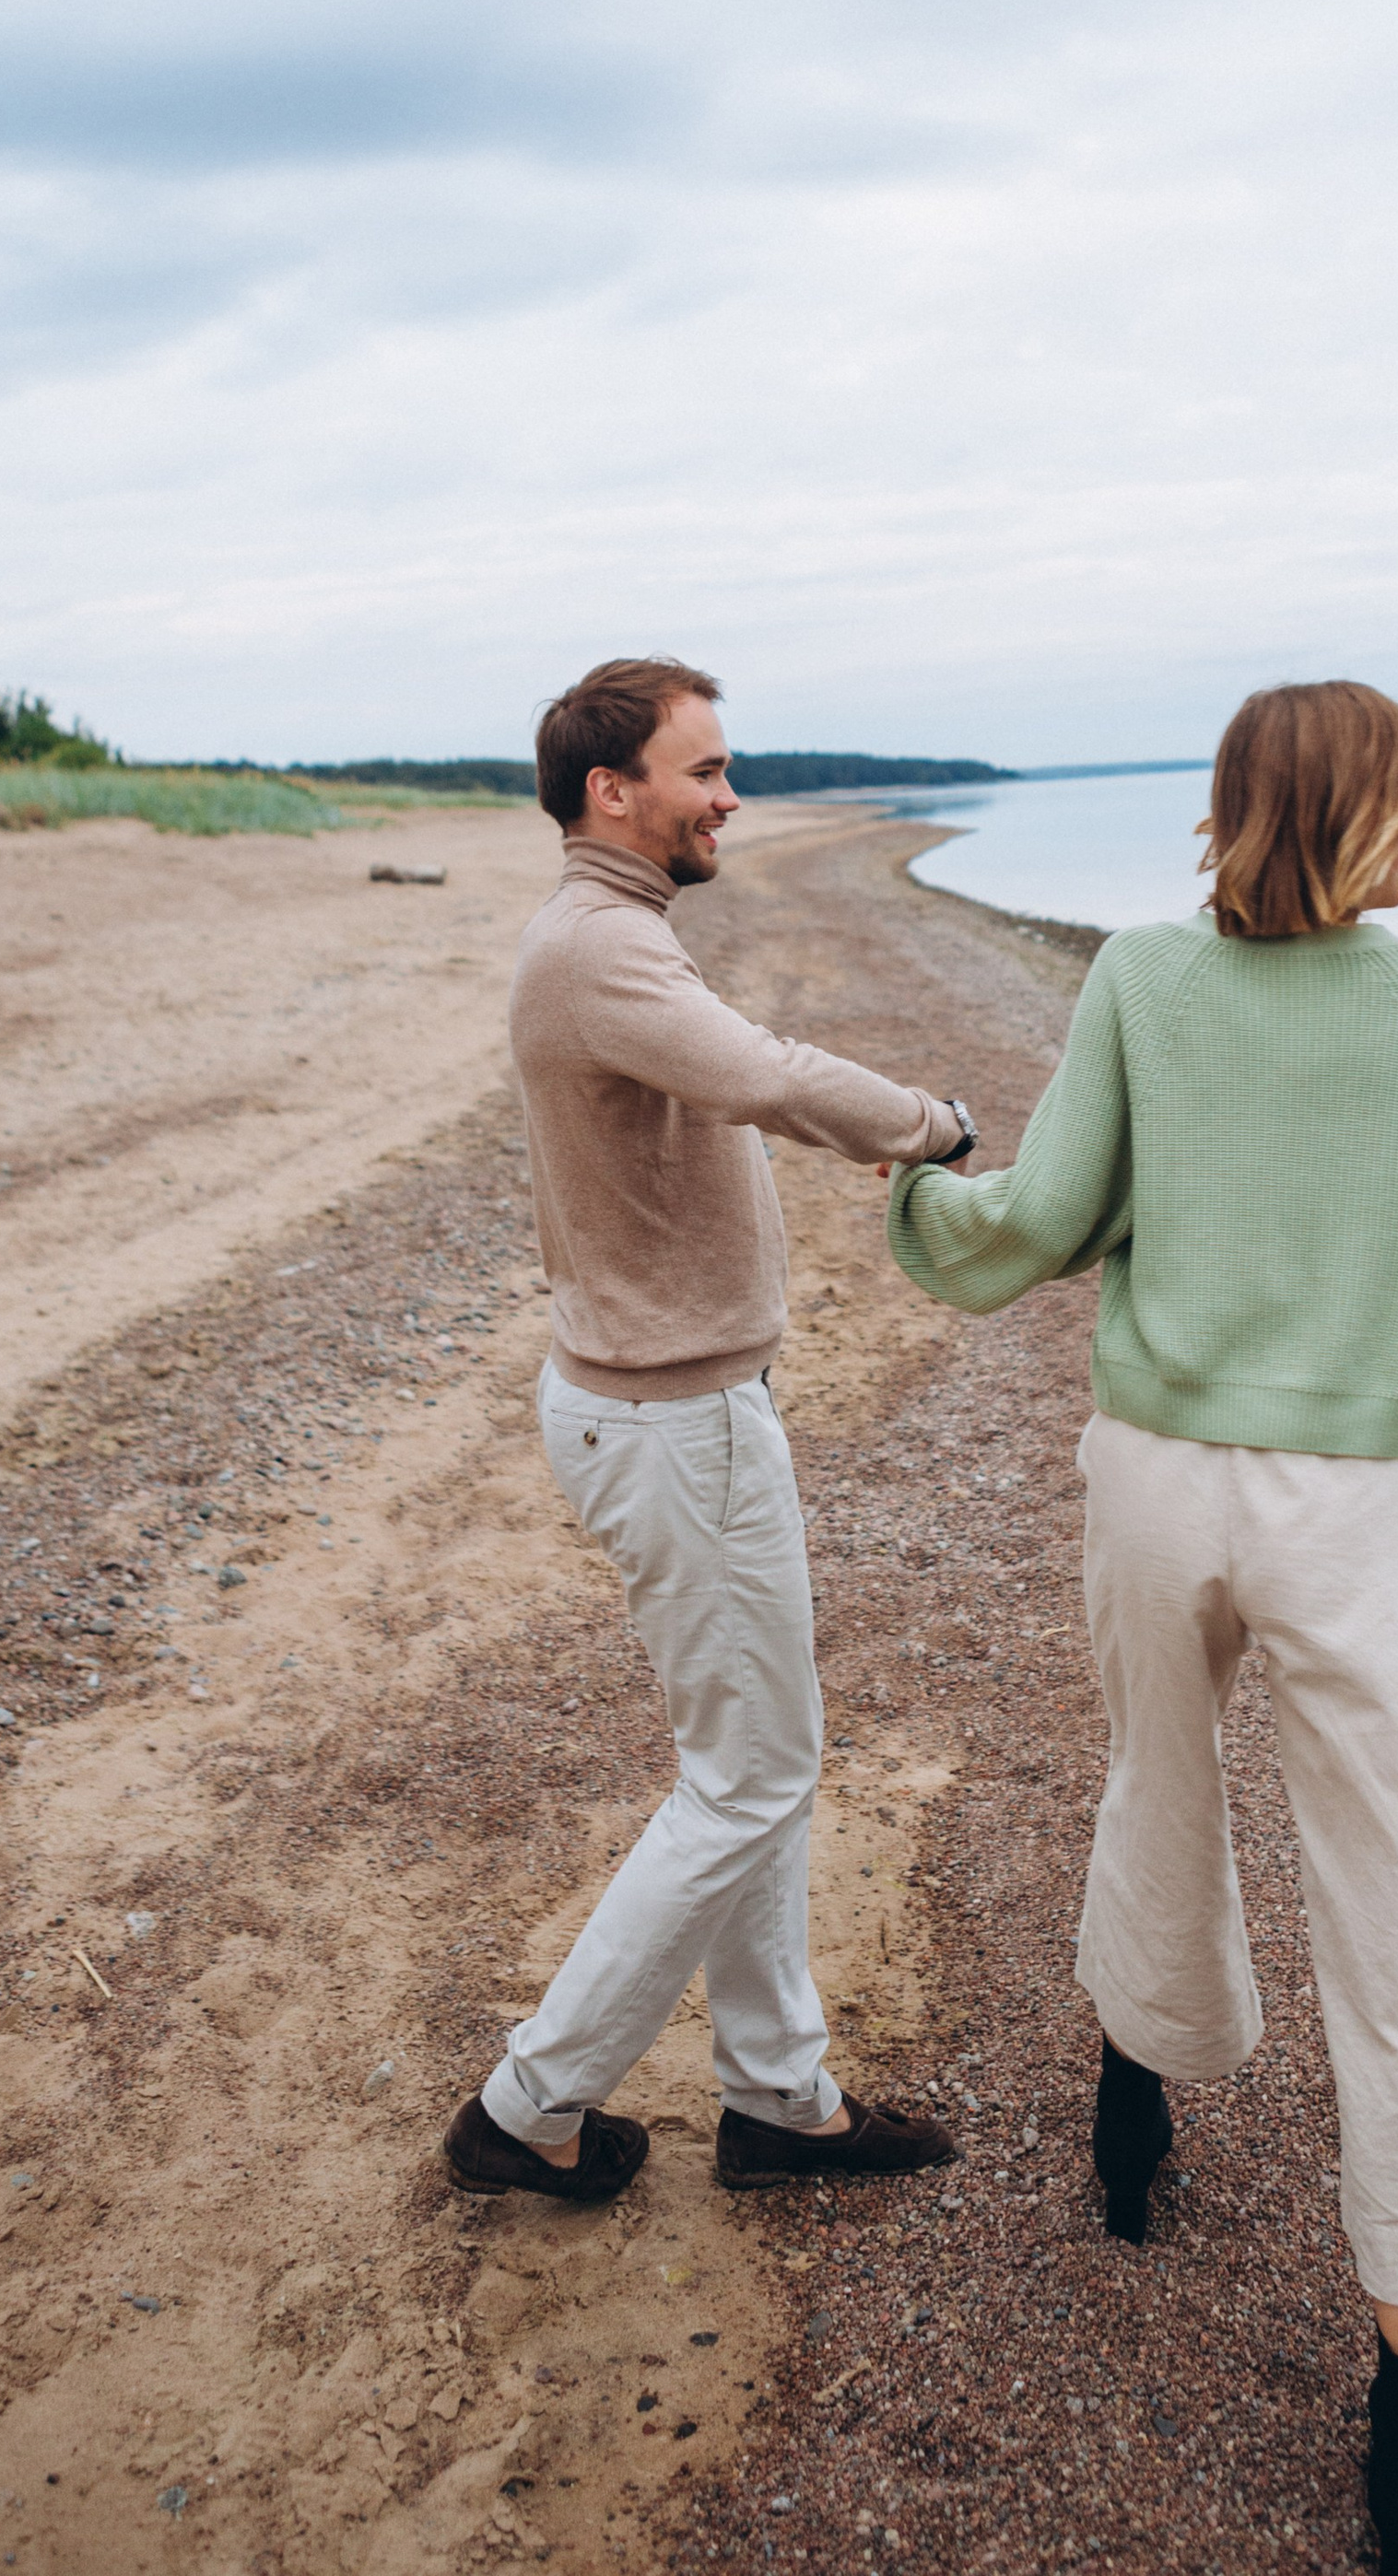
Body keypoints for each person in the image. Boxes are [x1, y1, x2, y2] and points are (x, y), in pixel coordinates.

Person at [884, 678, 1398, 2576]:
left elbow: (1050, 1217)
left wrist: (927, 1201)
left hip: (1158, 1474)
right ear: (1345, 809)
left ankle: (1126, 2111)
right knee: (1395, 1919)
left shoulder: (1138, 983)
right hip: (1351, 1511)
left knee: (1154, 1795)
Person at [443, 657, 972, 2212]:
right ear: (615, 792)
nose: (730, 796)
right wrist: (932, 1126)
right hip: (673, 1421)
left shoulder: (609, 937)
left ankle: (778, 2098)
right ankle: (530, 2104)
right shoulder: (601, 951)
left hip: (673, 1408)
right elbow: (766, 1077)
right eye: (704, 770)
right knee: (749, 1776)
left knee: (751, 1762)